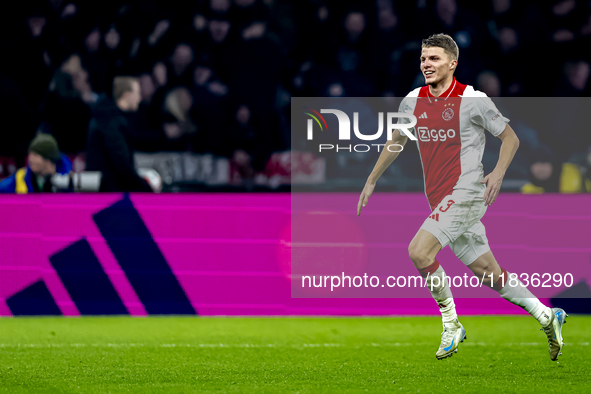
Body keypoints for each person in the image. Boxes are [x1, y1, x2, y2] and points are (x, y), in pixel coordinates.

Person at [357, 34, 567, 361]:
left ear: (452, 64)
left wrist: (497, 173)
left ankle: (451, 324)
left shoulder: (473, 99)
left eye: (435, 59)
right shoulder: (413, 100)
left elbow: (510, 139)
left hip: (467, 193)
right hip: (441, 201)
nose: (427, 64)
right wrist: (372, 178)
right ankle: (546, 315)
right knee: (490, 274)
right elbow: (396, 139)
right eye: (424, 58)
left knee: (418, 251)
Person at [86, 76, 153, 192]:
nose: (140, 98)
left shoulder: (112, 120)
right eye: (137, 93)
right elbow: (121, 164)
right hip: (108, 195)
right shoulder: (109, 122)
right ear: (127, 95)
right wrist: (145, 188)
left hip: (110, 192)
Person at [0, 134, 72, 193]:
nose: (30, 159)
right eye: (30, 154)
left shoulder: (69, 179)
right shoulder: (21, 178)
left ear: (48, 159)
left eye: (35, 155)